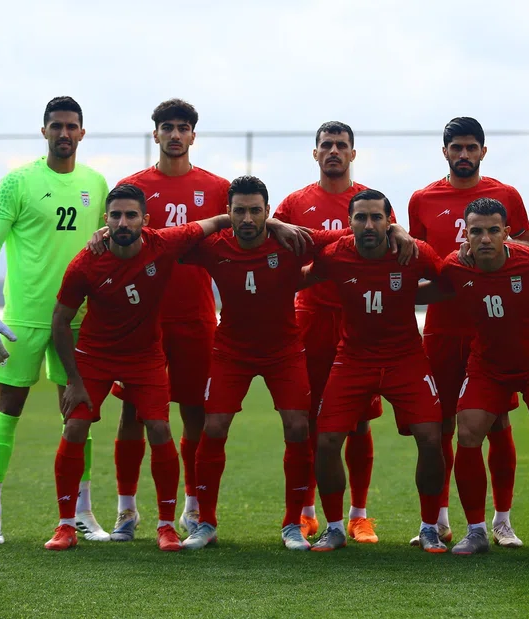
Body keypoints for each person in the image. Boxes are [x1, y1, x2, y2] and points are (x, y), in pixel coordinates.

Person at [177, 176, 418, 552]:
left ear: (267, 212)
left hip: (284, 351)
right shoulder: (214, 246)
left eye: (255, 210)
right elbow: (165, 242)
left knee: (297, 426)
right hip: (230, 351)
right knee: (214, 425)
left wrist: (399, 229)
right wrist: (217, 224)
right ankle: (205, 522)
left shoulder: (290, 241)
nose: (247, 218)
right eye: (238, 210)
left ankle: (293, 522)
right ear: (228, 213)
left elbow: (348, 237)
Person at [45, 184, 232, 551]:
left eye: (131, 215)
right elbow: (59, 321)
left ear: (145, 221)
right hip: (95, 355)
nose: (123, 221)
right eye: (115, 215)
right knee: (76, 424)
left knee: (160, 428)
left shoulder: (163, 243)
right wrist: (74, 381)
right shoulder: (85, 263)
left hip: (145, 356)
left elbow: (217, 221)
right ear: (106, 221)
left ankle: (166, 525)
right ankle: (66, 525)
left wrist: (272, 225)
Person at [0, 96, 110, 544]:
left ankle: (82, 514)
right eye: (57, 126)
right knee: (7, 408)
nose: (64, 133)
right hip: (25, 320)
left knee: (78, 415)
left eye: (72, 126)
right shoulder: (18, 181)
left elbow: (106, 247)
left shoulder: (96, 182)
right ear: (44, 130)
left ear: (83, 133)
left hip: (76, 320)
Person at [418, 197, 529, 557]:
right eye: (477, 231)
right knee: (469, 429)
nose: (486, 238)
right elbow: (427, 288)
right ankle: (475, 530)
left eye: (494, 230)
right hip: (488, 366)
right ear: (466, 236)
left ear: (507, 233)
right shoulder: (456, 267)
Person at [406, 117, 529, 547]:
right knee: (441, 426)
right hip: (442, 331)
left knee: (497, 424)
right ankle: (440, 519)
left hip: (493, 332)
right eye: (456, 148)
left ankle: (502, 520)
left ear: (483, 151)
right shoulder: (423, 199)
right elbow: (420, 263)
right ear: (444, 151)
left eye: (471, 147)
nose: (463, 155)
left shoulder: (505, 196)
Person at [107, 99, 231, 541]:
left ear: (193, 135)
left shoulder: (218, 188)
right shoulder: (133, 187)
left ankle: (192, 508)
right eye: (167, 127)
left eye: (182, 128)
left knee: (194, 411)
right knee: (133, 413)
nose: (175, 134)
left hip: (197, 317)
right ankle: (126, 510)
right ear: (155, 134)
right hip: (144, 319)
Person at [306, 190, 447, 553]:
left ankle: (430, 527)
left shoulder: (413, 252)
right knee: (325, 441)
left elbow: (449, 281)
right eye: (361, 218)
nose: (369, 225)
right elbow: (301, 276)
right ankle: (336, 527)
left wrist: (409, 295)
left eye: (376, 218)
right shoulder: (335, 255)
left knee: (432, 438)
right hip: (353, 358)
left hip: (405, 358)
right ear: (349, 224)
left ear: (389, 221)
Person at [273, 122, 385, 543]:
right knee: (305, 420)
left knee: (358, 422)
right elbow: (272, 246)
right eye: (327, 145)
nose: (334, 151)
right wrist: (272, 224)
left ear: (353, 153)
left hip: (360, 323)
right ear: (315, 153)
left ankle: (358, 516)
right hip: (312, 321)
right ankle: (304, 512)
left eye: (341, 145)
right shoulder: (295, 203)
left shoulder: (371, 202)